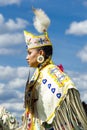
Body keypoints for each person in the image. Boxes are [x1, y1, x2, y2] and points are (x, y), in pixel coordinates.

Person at [17, 8, 87, 130]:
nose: (27, 57)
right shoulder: (39, 74)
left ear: (41, 53)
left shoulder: (51, 73)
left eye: (29, 53)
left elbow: (66, 88)